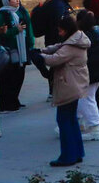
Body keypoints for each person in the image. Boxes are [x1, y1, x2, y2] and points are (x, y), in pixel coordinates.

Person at [38, 15, 90, 167]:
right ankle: (77, 152)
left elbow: (55, 58)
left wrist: (39, 56)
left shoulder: (72, 46)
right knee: (71, 120)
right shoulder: (76, 40)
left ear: (67, 30)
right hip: (75, 84)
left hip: (69, 86)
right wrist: (42, 50)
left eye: (61, 31)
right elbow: (59, 47)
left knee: (64, 121)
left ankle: (68, 156)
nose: (59, 33)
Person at [75, 10, 99, 141]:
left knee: (87, 98)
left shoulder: (82, 37)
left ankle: (95, 128)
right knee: (85, 98)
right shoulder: (98, 33)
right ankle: (80, 123)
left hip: (90, 72)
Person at [0, 0, 32, 113]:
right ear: (7, 1)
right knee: (8, 78)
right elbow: (2, 34)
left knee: (19, 76)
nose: (17, 0)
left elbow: (28, 26)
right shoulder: (3, 14)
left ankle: (14, 100)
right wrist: (16, 30)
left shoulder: (21, 11)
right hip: (9, 50)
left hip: (22, 49)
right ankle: (5, 104)